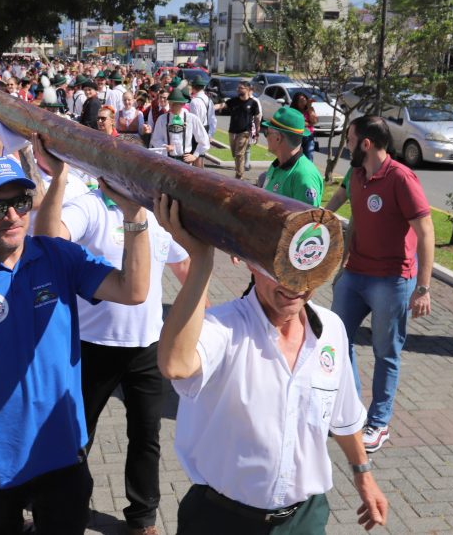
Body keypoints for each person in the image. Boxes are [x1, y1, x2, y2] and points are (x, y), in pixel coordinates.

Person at [0, 145, 151, 535]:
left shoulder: (59, 257)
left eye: (21, 202)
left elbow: (133, 290)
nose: (12, 216)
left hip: (61, 449)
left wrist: (135, 217)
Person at [152, 193, 389, 534]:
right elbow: (174, 364)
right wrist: (201, 263)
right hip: (221, 520)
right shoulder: (224, 328)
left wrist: (364, 477)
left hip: (303, 520)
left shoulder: (331, 331)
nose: (293, 287)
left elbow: (344, 416)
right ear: (250, 262)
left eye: (306, 270)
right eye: (280, 269)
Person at [34, 150, 190, 535]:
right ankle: (66, 507)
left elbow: (185, 264)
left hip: (147, 347)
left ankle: (142, 519)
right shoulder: (89, 205)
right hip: (92, 346)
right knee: (76, 435)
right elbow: (50, 239)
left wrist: (198, 321)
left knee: (146, 436)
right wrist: (58, 178)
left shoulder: (156, 213)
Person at [331, 115, 434, 454]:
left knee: (385, 352)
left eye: (349, 139)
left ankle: (379, 422)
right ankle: (352, 411)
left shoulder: (401, 178)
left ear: (366, 144)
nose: (346, 145)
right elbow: (353, 219)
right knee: (335, 339)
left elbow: (425, 232)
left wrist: (423, 287)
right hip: (356, 274)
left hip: (392, 280)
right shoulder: (357, 175)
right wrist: (343, 264)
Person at [262, 107, 323, 207]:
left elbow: (307, 219)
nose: (266, 137)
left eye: (267, 133)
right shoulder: (276, 165)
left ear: (278, 138)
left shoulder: (304, 176)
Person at [149, 88, 209, 165]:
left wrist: (195, 155)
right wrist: (164, 146)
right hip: (167, 160)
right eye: (170, 103)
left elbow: (204, 140)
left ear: (182, 104)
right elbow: (155, 139)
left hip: (185, 162)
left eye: (174, 104)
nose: (171, 107)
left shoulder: (191, 118)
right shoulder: (162, 119)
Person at [225, 81, 262, 179]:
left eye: (241, 88)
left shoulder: (253, 103)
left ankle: (239, 175)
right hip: (232, 131)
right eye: (238, 88)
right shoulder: (233, 101)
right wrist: (210, 107)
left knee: (239, 154)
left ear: (248, 90)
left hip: (244, 132)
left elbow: (257, 118)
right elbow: (222, 105)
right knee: (235, 154)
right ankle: (239, 171)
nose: (238, 90)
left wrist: (257, 133)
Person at [290, 92, 318, 161]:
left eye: (304, 101)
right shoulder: (293, 111)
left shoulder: (310, 109)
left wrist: (309, 107)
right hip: (297, 137)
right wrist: (309, 123)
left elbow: (314, 121)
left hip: (308, 136)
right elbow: (297, 123)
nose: (303, 103)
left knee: (309, 158)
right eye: (300, 101)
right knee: (296, 158)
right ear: (296, 103)